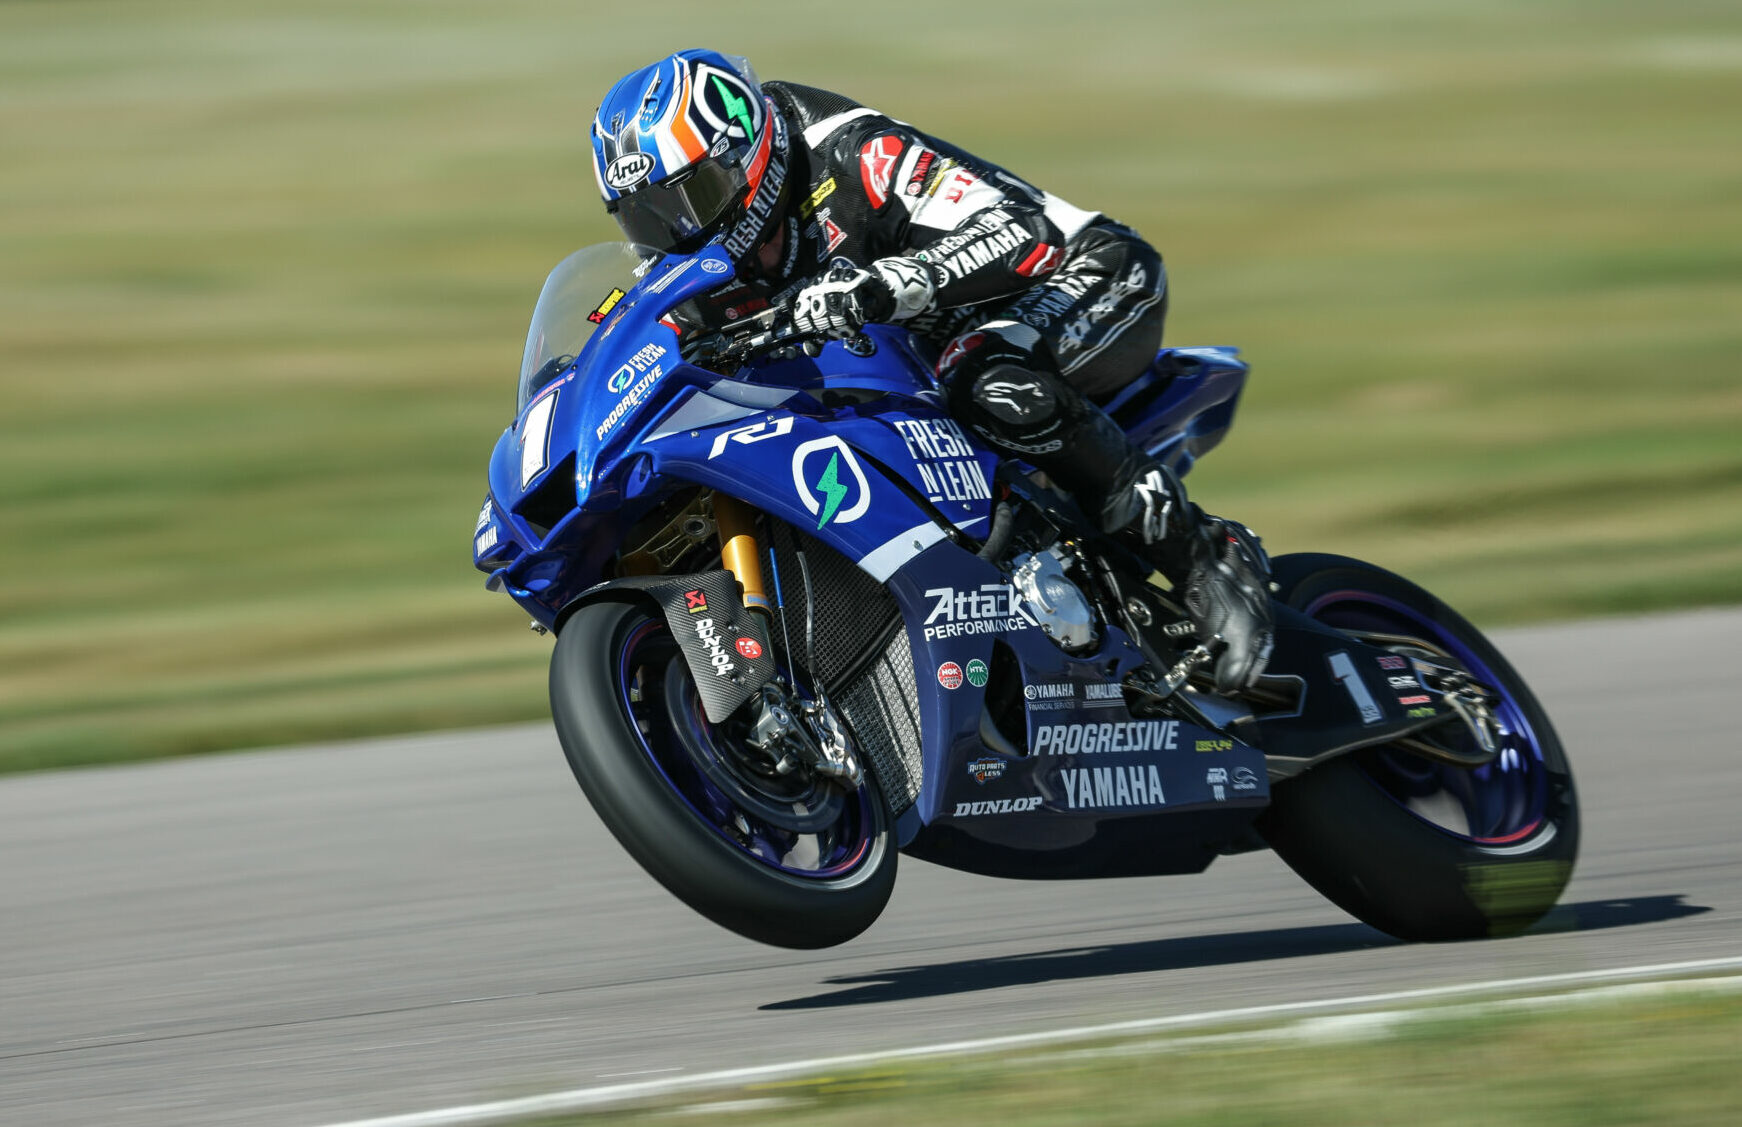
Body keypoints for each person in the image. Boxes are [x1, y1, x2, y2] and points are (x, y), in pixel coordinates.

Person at [590, 49, 1272, 692]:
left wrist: (888, 284)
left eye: (692, 196)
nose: (678, 231)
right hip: (930, 362)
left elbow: (1021, 230)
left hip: (1085, 276)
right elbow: (645, 330)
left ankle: (1204, 559)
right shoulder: (693, 263)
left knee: (983, 373)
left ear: (746, 155)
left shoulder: (852, 150)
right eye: (648, 216)